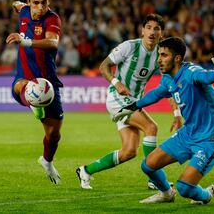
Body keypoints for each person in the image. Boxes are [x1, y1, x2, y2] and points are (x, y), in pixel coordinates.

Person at [113, 37, 214, 204]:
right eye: (158, 55)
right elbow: (157, 94)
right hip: (188, 133)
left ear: (177, 58)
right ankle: (166, 193)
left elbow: (203, 76)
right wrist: (134, 106)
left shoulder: (191, 72)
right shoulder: (168, 78)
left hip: (210, 138)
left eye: (164, 55)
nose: (159, 60)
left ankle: (206, 195)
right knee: (148, 165)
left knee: (185, 188)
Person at [76, 14, 183, 190]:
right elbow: (104, 66)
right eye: (148, 27)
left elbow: (167, 86)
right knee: (151, 127)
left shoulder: (160, 55)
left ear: (161, 33)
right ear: (142, 30)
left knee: (129, 152)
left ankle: (85, 170)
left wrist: (177, 113)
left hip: (134, 101)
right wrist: (116, 82)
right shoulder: (129, 46)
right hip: (117, 98)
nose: (152, 32)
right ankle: (155, 178)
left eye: (156, 28)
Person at [6, 0, 63, 185]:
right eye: (36, 2)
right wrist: (17, 4)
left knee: (54, 135)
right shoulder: (23, 11)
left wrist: (26, 41)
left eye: (44, 3)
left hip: (49, 81)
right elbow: (16, 4)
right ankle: (33, 102)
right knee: (24, 87)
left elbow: (53, 42)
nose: (40, 8)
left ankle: (47, 161)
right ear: (29, 1)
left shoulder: (52, 19)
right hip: (24, 78)